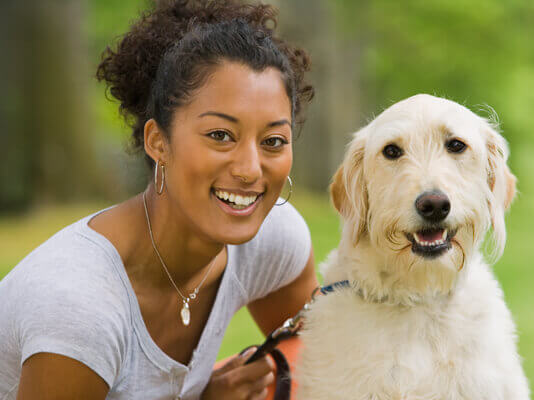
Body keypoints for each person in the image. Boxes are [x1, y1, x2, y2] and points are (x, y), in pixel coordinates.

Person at [0, 0, 318, 399]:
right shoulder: (80, 307)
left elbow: (327, 357)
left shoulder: (273, 237)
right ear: (158, 142)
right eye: (220, 135)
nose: (251, 169)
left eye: (273, 141)